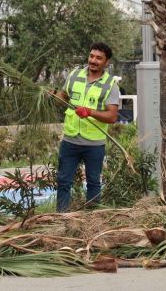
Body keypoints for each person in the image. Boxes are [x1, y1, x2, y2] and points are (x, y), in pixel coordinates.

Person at [51, 42, 120, 212]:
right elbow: (63, 97)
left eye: (98, 58)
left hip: (94, 144)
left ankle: (91, 220)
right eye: (91, 56)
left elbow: (112, 116)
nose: (93, 60)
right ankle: (62, 218)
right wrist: (53, 95)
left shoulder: (110, 85)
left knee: (93, 183)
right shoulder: (74, 76)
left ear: (106, 62)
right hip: (70, 140)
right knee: (63, 181)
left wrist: (90, 112)